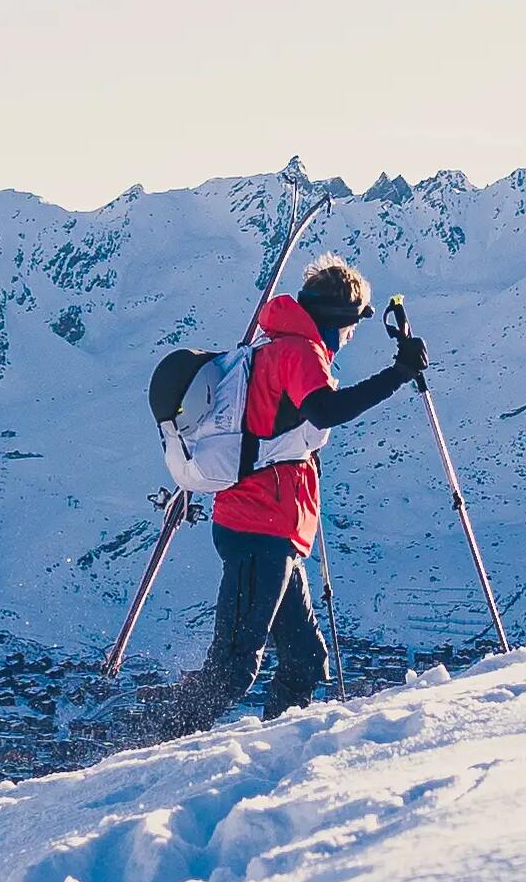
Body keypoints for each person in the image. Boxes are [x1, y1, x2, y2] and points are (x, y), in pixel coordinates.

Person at [154, 254, 428, 737]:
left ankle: (274, 753)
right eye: (354, 325)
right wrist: (397, 374)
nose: (351, 337)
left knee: (305, 662)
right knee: (233, 670)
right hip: (258, 526)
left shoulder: (273, 346)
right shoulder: (299, 351)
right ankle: (154, 743)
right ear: (340, 318)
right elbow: (324, 410)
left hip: (272, 528)